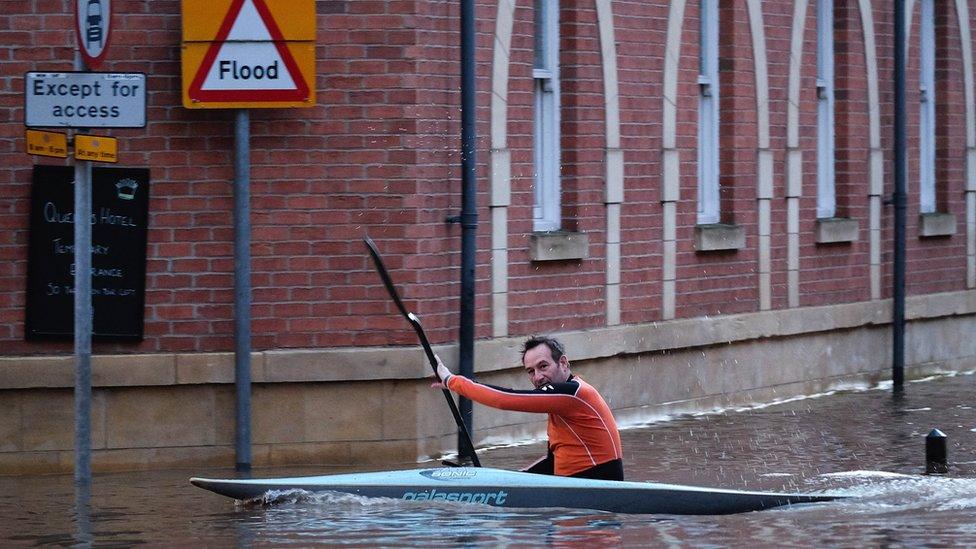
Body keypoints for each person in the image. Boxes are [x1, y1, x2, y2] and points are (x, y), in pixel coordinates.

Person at [432, 335, 624, 481]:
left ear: (563, 363)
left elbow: (504, 399)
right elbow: (552, 462)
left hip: (596, 489)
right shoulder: (561, 403)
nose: (537, 377)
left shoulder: (572, 393)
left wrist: (451, 380)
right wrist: (513, 479)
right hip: (577, 489)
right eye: (531, 371)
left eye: (543, 366)